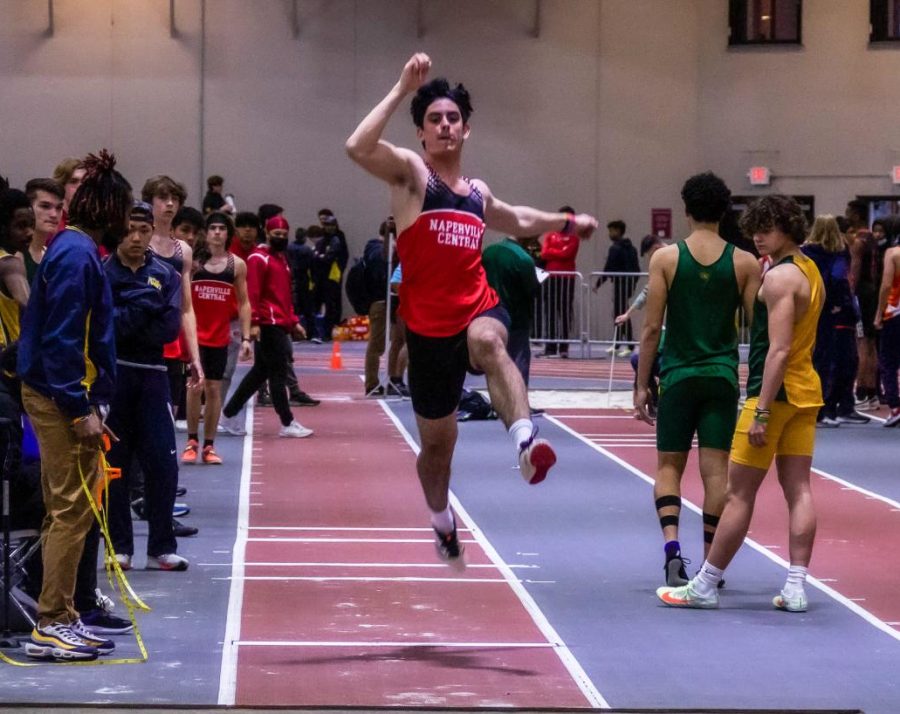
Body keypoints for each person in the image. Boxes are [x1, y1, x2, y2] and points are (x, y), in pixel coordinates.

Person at [345, 52, 597, 565]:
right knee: (437, 451)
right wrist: (399, 88)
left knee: (489, 341)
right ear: (421, 133)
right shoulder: (415, 178)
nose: (444, 126)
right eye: (434, 119)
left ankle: (526, 442)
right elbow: (357, 146)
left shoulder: (477, 193)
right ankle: (441, 521)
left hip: (475, 310)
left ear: (466, 130)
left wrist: (565, 222)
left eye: (452, 118)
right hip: (427, 331)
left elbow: (517, 216)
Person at [658, 195, 824, 612]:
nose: (757, 237)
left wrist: (763, 409)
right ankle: (796, 586)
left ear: (787, 228)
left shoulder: (780, 279)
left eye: (766, 229)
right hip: (807, 393)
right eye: (753, 229)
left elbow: (779, 350)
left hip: (777, 395)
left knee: (737, 495)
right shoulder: (810, 270)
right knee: (798, 489)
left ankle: (705, 585)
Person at [17, 149, 126, 661]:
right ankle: (52, 622)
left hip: (68, 395)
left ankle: (63, 614)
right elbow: (62, 341)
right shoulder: (76, 255)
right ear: (109, 209)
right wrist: (81, 408)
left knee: (76, 507)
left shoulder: (78, 251)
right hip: (58, 398)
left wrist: (93, 400)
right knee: (69, 508)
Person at [636, 172, 760, 587]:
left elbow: (652, 329)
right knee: (715, 472)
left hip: (678, 375)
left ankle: (673, 551)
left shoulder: (666, 259)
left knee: (669, 465)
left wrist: (641, 384)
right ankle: (710, 564)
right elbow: (755, 328)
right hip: (721, 377)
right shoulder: (744, 263)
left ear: (685, 211)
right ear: (725, 212)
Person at [103, 201, 187, 572]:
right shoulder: (103, 272)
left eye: (143, 230)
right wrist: (143, 304)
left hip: (154, 376)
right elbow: (107, 326)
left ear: (153, 231)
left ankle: (161, 547)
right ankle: (120, 547)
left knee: (163, 463)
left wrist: (130, 310)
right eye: (129, 230)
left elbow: (168, 329)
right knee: (115, 466)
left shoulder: (166, 274)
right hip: (114, 376)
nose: (136, 238)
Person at [220, 215, 313, 438]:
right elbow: (252, 293)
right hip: (268, 324)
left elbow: (285, 297)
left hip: (280, 323)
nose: (280, 238)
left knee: (260, 372)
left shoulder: (282, 261)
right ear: (267, 233)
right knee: (277, 373)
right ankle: (287, 422)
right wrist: (253, 324)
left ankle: (230, 414)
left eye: (283, 235)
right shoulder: (258, 259)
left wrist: (294, 321)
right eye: (276, 234)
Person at [182, 212, 252, 464]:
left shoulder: (236, 265)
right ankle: (191, 440)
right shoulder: (193, 261)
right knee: (194, 387)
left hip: (219, 338)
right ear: (206, 232)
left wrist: (245, 338)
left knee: (213, 388)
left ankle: (209, 446)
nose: (218, 233)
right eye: (213, 228)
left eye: (222, 228)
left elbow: (245, 303)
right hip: (194, 337)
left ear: (228, 233)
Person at [143, 175, 204, 423]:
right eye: (163, 198)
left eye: (174, 199)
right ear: (149, 202)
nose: (169, 204)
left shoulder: (183, 251)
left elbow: (187, 308)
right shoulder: (138, 243)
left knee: (165, 419)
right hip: (140, 346)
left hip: (171, 349)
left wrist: (195, 357)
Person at [801, 216, 863, 426]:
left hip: (808, 307)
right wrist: (839, 302)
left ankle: (811, 407)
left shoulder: (805, 252)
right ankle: (825, 409)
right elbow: (838, 278)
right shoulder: (838, 252)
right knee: (828, 360)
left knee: (810, 358)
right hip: (828, 310)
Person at [482, 236, 541, 387]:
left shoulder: (488, 252)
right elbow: (533, 289)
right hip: (516, 316)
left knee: (495, 363)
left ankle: (497, 405)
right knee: (518, 361)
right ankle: (518, 406)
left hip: (490, 314)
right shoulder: (522, 258)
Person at [617, 235, 665, 414]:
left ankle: (649, 398)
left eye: (651, 254)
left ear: (656, 247)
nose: (652, 259)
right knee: (639, 359)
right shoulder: (664, 261)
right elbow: (647, 291)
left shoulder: (668, 260)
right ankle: (651, 398)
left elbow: (651, 328)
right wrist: (627, 315)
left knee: (642, 357)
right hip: (665, 330)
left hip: (673, 334)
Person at [846, 199, 879, 410]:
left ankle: (861, 392)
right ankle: (873, 391)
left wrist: (850, 292)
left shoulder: (858, 240)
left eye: (849, 212)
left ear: (857, 214)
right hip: (872, 290)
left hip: (861, 293)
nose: (847, 214)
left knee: (862, 343)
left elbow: (855, 269)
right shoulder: (872, 238)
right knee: (871, 343)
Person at [539, 206, 580, 357]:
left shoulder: (574, 237)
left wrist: (553, 253)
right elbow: (544, 253)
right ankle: (550, 347)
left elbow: (567, 254)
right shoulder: (550, 235)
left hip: (566, 279)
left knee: (564, 313)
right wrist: (559, 252)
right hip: (551, 278)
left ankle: (563, 348)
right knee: (550, 312)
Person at [595, 219, 640, 356]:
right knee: (622, 312)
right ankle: (619, 344)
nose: (610, 233)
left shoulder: (615, 248)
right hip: (628, 284)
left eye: (611, 230)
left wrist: (598, 283)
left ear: (618, 231)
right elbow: (637, 268)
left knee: (620, 314)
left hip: (620, 284)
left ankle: (627, 345)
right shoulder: (631, 248)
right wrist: (633, 283)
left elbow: (609, 267)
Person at [0, 188, 33, 344]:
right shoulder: (10, 264)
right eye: (21, 226)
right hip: (8, 362)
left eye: (31, 225)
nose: (30, 232)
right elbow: (33, 310)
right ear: (3, 228)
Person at [874, 238, 900, 426]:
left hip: (894, 312)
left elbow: (885, 286)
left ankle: (895, 407)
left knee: (888, 361)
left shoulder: (892, 253)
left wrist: (878, 314)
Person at [24, 178, 64, 284]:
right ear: (28, 209)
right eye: (45, 206)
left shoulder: (53, 256)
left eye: (59, 208)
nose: (54, 215)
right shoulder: (14, 257)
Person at [51, 157, 85, 232]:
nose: (81, 186)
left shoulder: (95, 223)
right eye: (73, 181)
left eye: (85, 182)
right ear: (61, 186)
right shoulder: (52, 222)